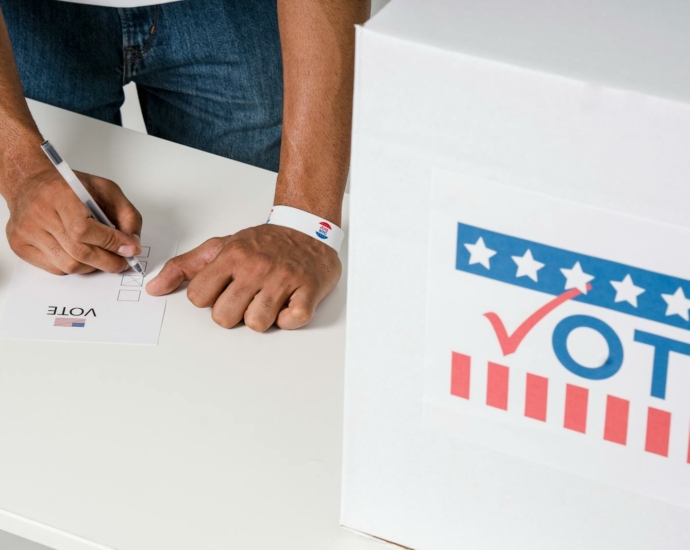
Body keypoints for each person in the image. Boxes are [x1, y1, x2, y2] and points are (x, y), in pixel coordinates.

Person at [0, 0, 369, 331]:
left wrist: (304, 224)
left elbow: (298, 229)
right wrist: (22, 170)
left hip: (232, 11)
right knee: (57, 239)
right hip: (28, 16)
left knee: (255, 268)